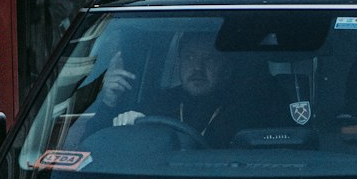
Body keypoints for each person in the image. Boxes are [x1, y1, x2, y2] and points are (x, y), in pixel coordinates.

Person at [98, 31, 281, 146]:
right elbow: (95, 147)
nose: (197, 68)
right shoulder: (159, 103)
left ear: (226, 67)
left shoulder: (250, 109)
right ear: (179, 62)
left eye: (209, 58)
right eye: (190, 58)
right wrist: (108, 103)